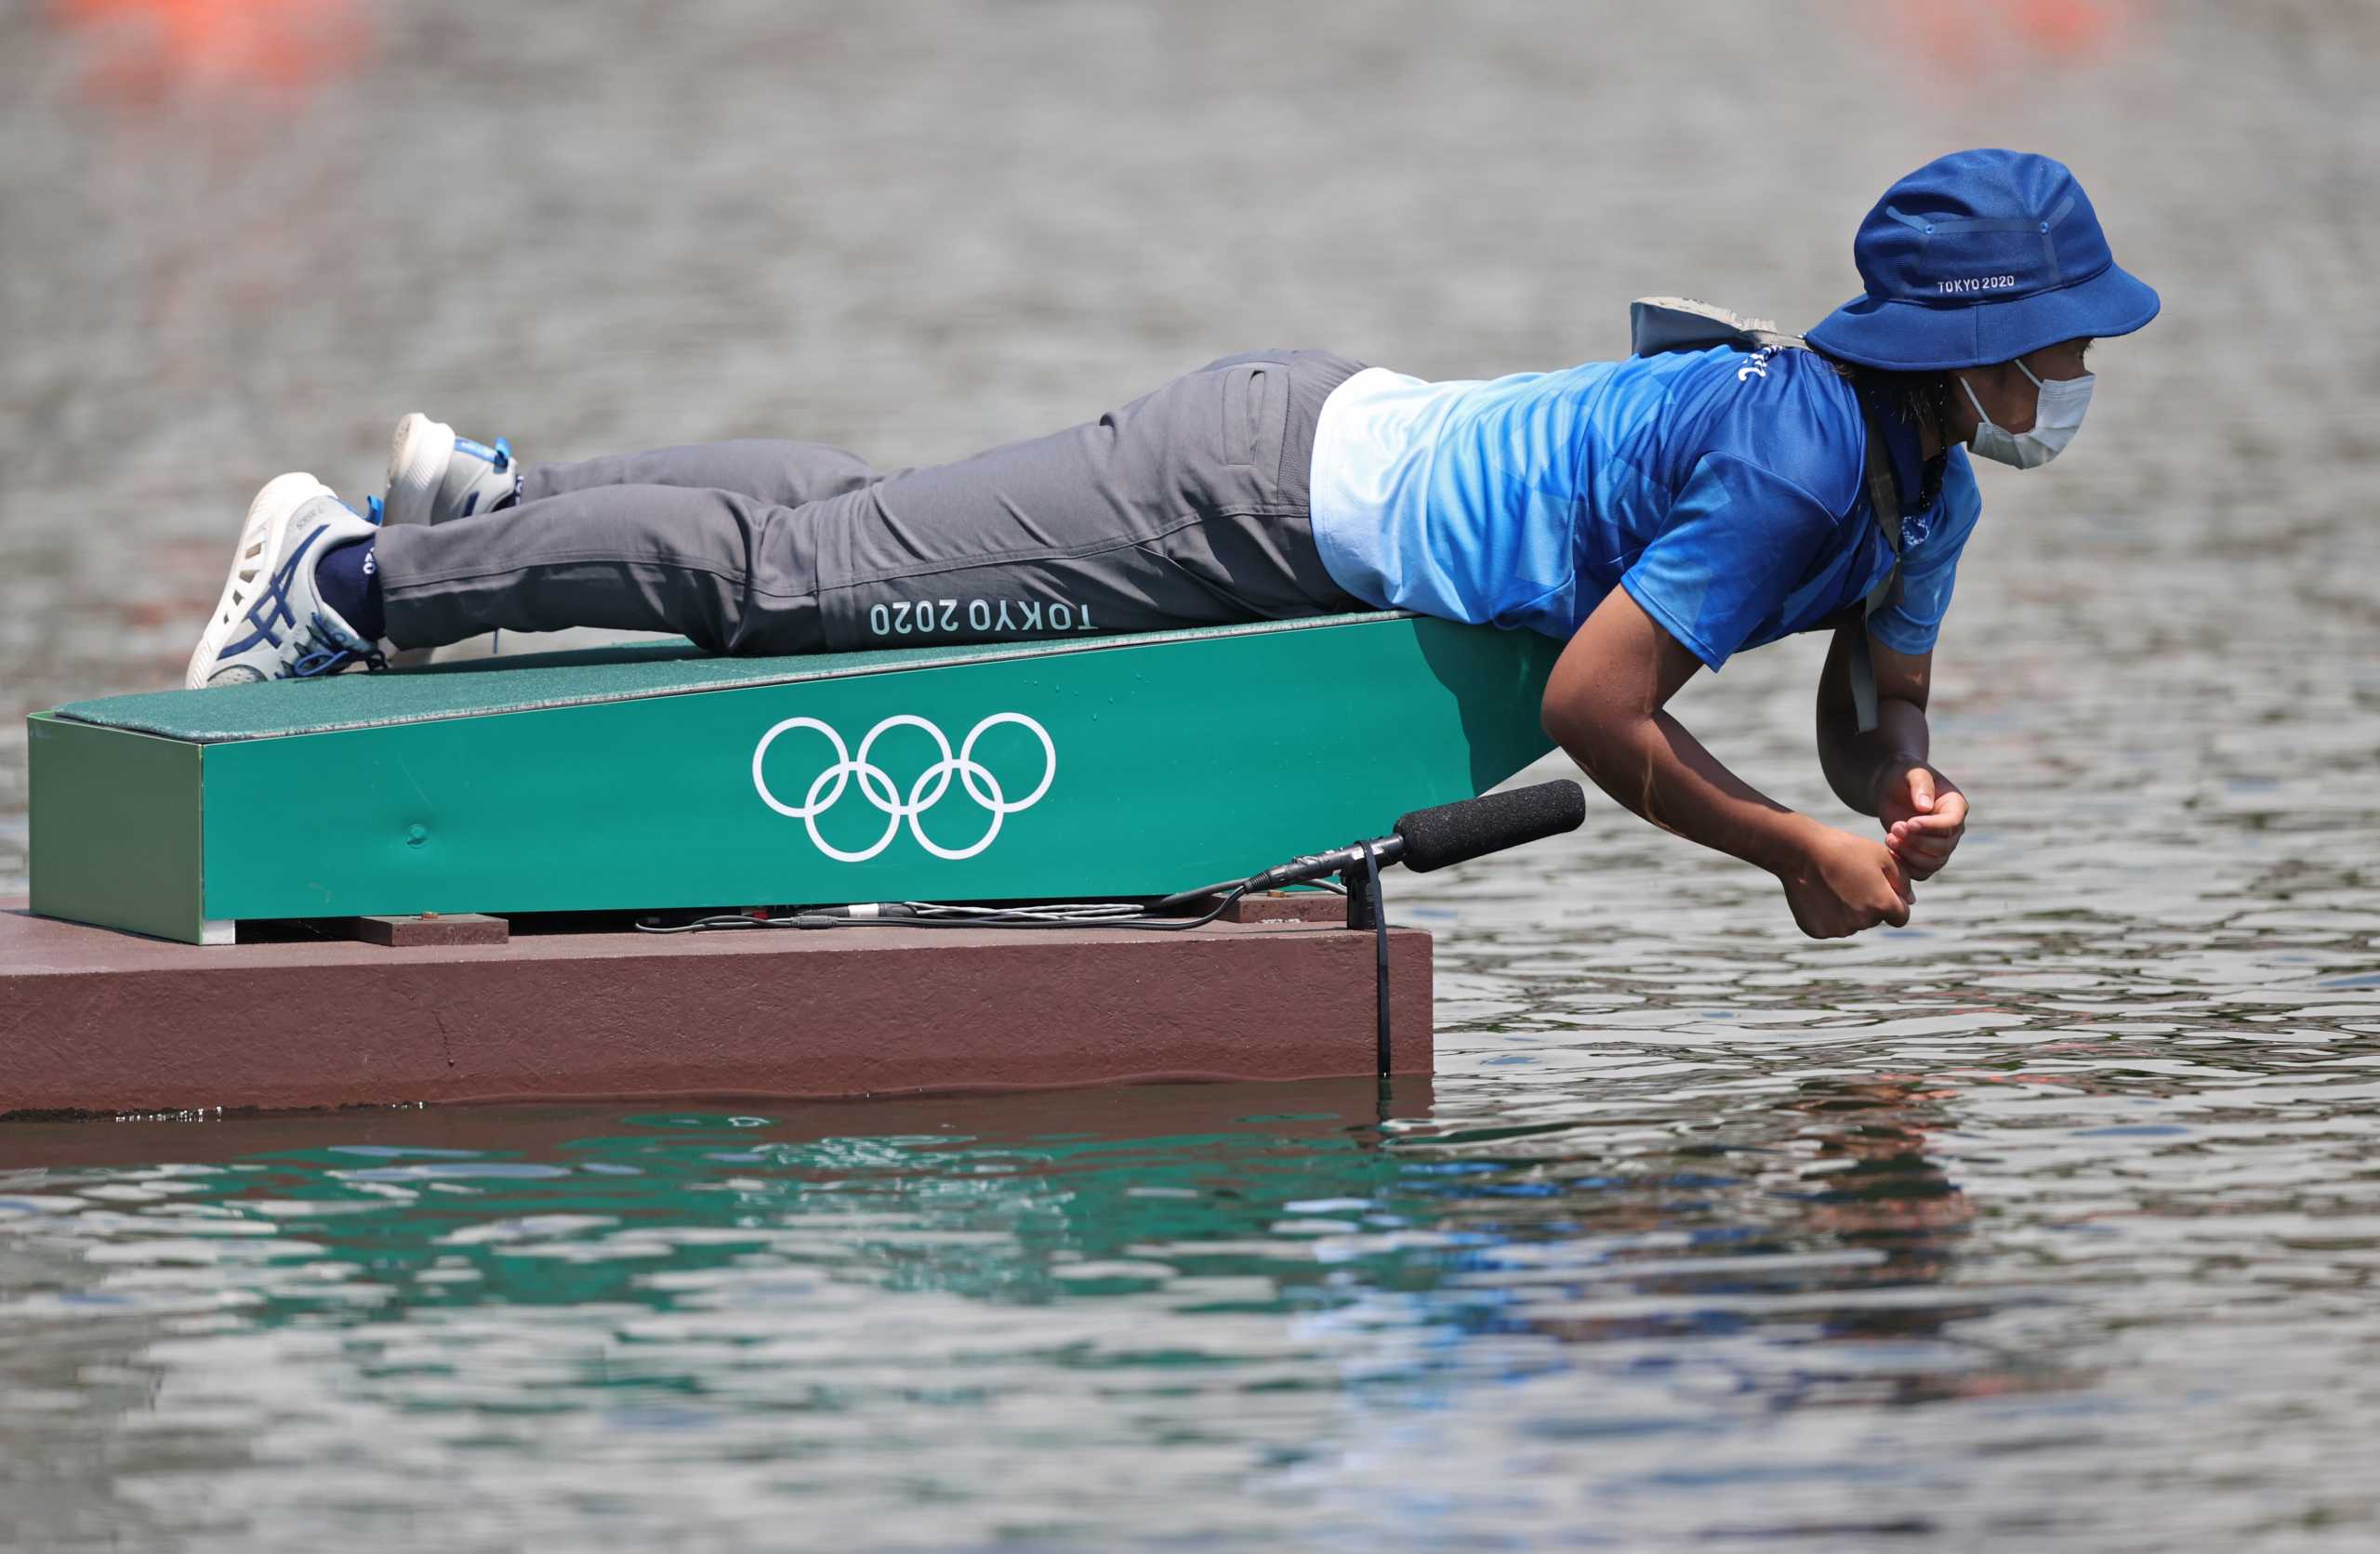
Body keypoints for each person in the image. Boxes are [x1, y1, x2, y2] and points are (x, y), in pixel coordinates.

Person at [184, 149, 2157, 939]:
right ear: (1966, 339)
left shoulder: (1923, 485)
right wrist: (1784, 855)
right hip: (1247, 492)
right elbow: (1589, 698)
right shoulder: (1803, 460)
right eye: (2056, 330)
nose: (2077, 361)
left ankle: (501, 508)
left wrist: (1892, 786)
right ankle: (357, 583)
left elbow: (1858, 713)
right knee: (809, 591)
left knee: (853, 519)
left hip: (1296, 482)